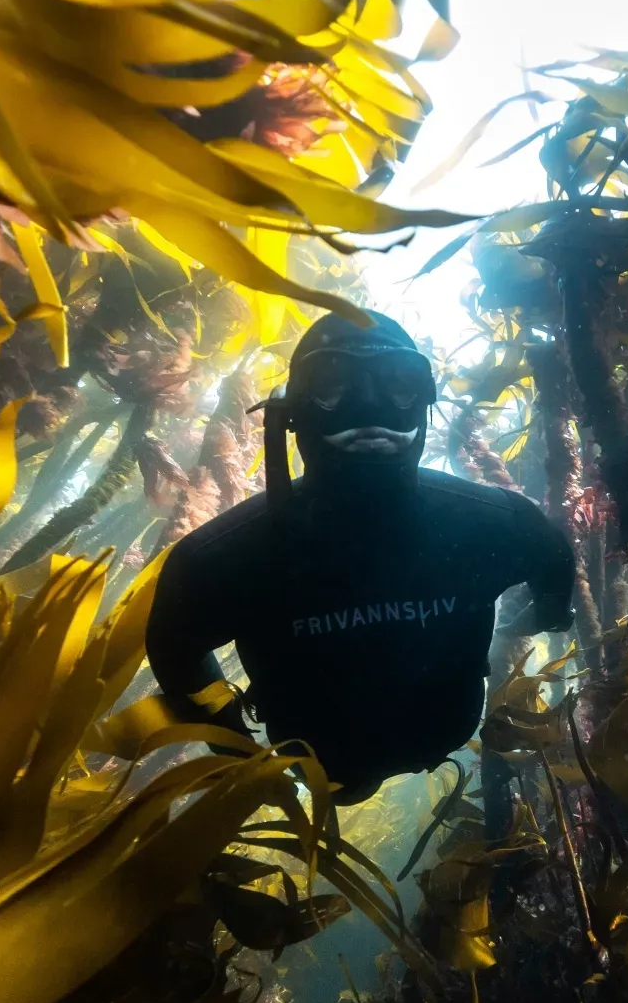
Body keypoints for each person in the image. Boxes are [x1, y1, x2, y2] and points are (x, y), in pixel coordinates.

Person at [145, 312, 576, 803]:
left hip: (337, 750)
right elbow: (553, 568)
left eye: (400, 383)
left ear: (424, 399)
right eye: (332, 382)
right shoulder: (498, 521)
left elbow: (178, 658)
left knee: (341, 785)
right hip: (381, 750)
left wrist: (240, 751)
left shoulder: (216, 559)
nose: (369, 406)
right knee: (344, 789)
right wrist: (543, 614)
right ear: (292, 412)